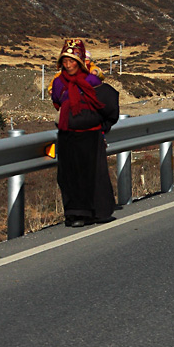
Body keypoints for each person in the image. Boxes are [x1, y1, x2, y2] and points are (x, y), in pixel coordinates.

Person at [51, 39, 120, 227]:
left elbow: (108, 104)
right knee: (70, 176)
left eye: (72, 61)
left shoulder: (93, 82)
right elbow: (56, 102)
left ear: (80, 62)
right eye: (65, 61)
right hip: (68, 135)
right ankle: (75, 215)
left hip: (91, 135)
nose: (68, 65)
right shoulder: (58, 83)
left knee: (92, 174)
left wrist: (103, 125)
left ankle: (97, 212)